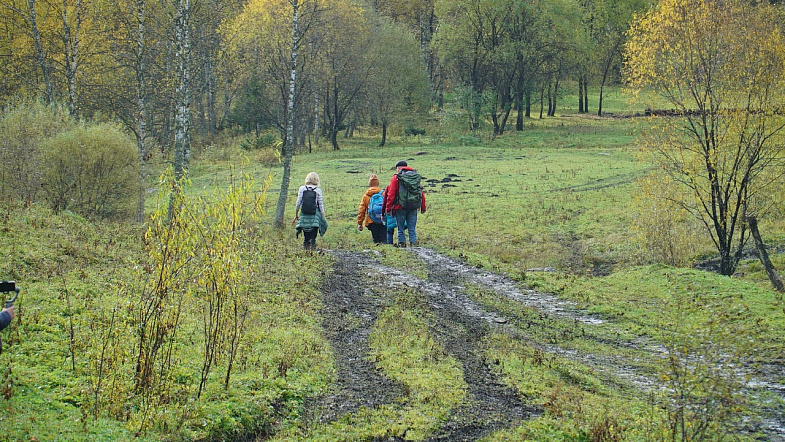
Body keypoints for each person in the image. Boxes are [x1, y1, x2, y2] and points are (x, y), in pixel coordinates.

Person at [383, 160, 426, 247]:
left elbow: (391, 194)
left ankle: (402, 244)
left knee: (400, 227)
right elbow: (420, 192)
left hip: (400, 206)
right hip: (413, 205)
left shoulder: (396, 178)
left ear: (398, 168)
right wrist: (423, 206)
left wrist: (388, 208)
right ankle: (413, 244)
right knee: (412, 227)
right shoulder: (414, 176)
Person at [293, 172, 328, 250]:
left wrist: (296, 214)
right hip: (315, 214)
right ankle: (313, 245)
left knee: (306, 232)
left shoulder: (302, 188)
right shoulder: (318, 190)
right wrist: (322, 216)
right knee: (313, 232)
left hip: (304, 213)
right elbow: (321, 204)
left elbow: (298, 202)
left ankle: (306, 246)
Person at [356, 174, 386, 244]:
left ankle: (377, 251)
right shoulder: (383, 193)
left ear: (369, 184)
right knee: (384, 240)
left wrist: (360, 223)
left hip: (371, 221)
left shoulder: (366, 195)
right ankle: (385, 251)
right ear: (378, 183)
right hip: (383, 219)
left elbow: (361, 210)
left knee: (376, 240)